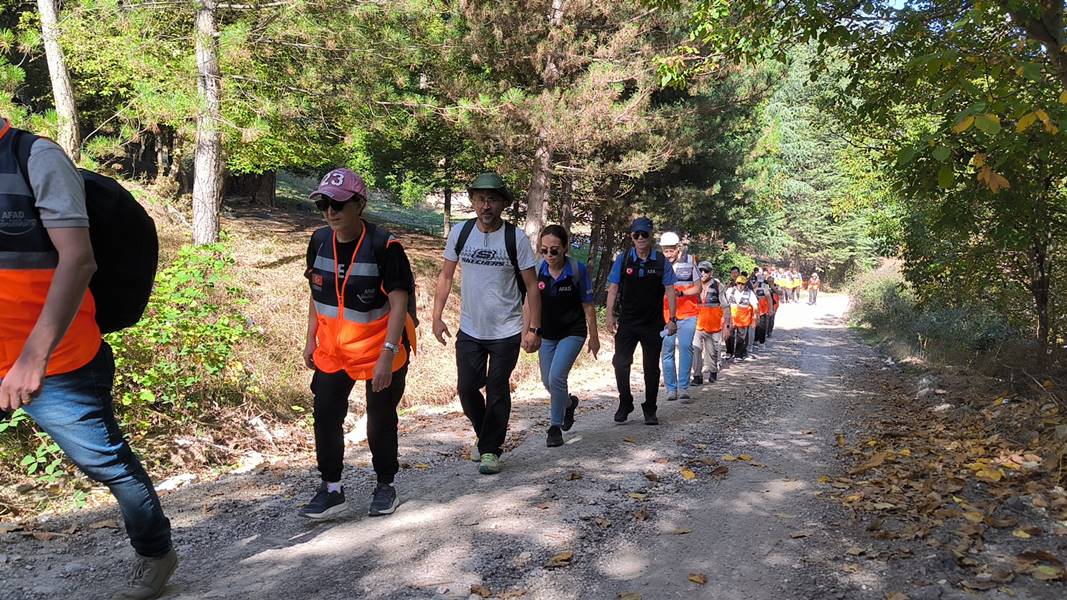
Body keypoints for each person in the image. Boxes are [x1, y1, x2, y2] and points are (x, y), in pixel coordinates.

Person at [0, 119, 176, 599]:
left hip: (57, 362)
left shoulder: (34, 158)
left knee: (106, 463)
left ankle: (156, 552)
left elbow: (78, 259)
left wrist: (32, 360)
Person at [301, 168, 417, 519]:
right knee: (325, 414)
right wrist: (309, 339)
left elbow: (399, 304)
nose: (330, 211)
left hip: (381, 347)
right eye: (324, 203)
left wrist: (388, 353)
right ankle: (332, 488)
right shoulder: (319, 241)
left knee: (379, 419)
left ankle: (385, 485)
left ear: (359, 204)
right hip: (334, 350)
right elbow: (316, 293)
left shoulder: (385, 246)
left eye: (338, 204)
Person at [432, 172, 541, 475]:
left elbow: (532, 287)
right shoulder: (461, 233)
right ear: (473, 201)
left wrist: (533, 328)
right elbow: (445, 275)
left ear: (503, 203)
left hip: (507, 329)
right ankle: (486, 438)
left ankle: (491, 449)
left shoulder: (515, 238)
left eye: (492, 199)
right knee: (467, 388)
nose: (486, 204)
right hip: (470, 327)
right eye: (480, 198)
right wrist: (437, 316)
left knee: (496, 388)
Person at [605, 217, 677, 426]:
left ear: (650, 236)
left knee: (651, 368)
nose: (640, 238)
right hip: (628, 321)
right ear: (631, 237)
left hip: (653, 323)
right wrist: (609, 314)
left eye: (644, 234)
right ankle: (625, 402)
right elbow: (613, 287)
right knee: (620, 362)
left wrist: (672, 319)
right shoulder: (624, 258)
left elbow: (670, 290)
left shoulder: (661, 261)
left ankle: (650, 408)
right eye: (636, 234)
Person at [535, 225, 599, 447]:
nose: (549, 255)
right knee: (547, 381)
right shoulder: (537, 270)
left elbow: (588, 306)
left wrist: (594, 337)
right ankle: (569, 404)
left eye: (555, 250)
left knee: (556, 378)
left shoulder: (577, 270)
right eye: (544, 251)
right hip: (547, 333)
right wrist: (528, 331)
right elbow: (529, 303)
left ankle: (554, 427)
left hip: (573, 332)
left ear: (565, 248)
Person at [658, 232, 700, 401]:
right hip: (666, 315)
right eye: (665, 251)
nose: (668, 255)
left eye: (670, 251)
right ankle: (670, 388)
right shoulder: (659, 264)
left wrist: (680, 293)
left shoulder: (690, 262)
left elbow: (698, 288)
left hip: (688, 314)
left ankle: (683, 387)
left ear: (677, 249)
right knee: (667, 350)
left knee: (685, 347)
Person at [691, 261, 729, 388]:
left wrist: (727, 326)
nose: (703, 273)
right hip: (697, 325)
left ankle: (713, 372)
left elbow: (725, 307)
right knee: (696, 350)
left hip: (714, 326)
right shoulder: (693, 285)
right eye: (700, 270)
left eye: (706, 271)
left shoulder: (718, 286)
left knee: (712, 352)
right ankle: (697, 376)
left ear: (711, 272)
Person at [725, 276, 757, 360]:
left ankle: (738, 355)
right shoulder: (729, 291)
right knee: (729, 336)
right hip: (731, 318)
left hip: (743, 319)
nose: (740, 285)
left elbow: (755, 306)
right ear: (736, 283)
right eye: (738, 283)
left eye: (742, 284)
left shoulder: (750, 293)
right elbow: (724, 303)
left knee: (741, 338)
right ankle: (729, 352)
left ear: (745, 284)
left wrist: (754, 318)